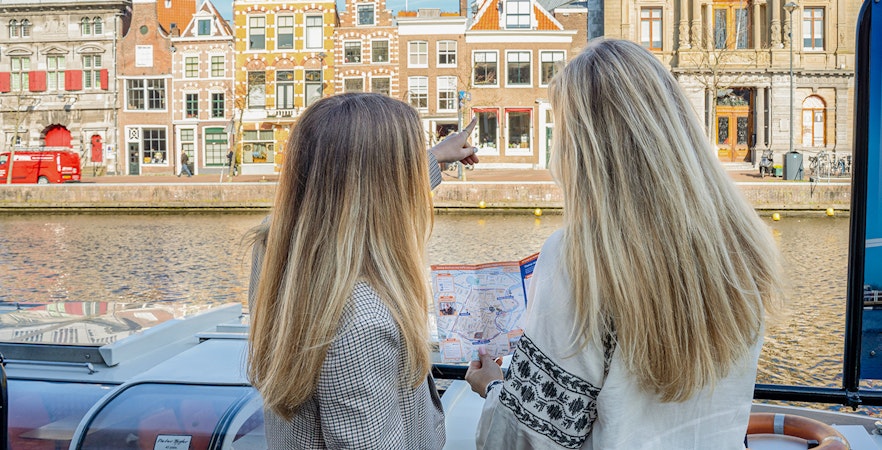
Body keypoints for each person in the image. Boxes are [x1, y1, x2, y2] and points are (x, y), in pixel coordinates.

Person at [465, 38, 783, 449]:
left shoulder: (579, 260)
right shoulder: (744, 250)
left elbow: (525, 441)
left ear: (585, 149)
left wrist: (495, 388)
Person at [247, 93, 477, 449]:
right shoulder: (362, 324)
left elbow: (350, 191)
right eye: (407, 167)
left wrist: (436, 157)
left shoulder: (277, 246)